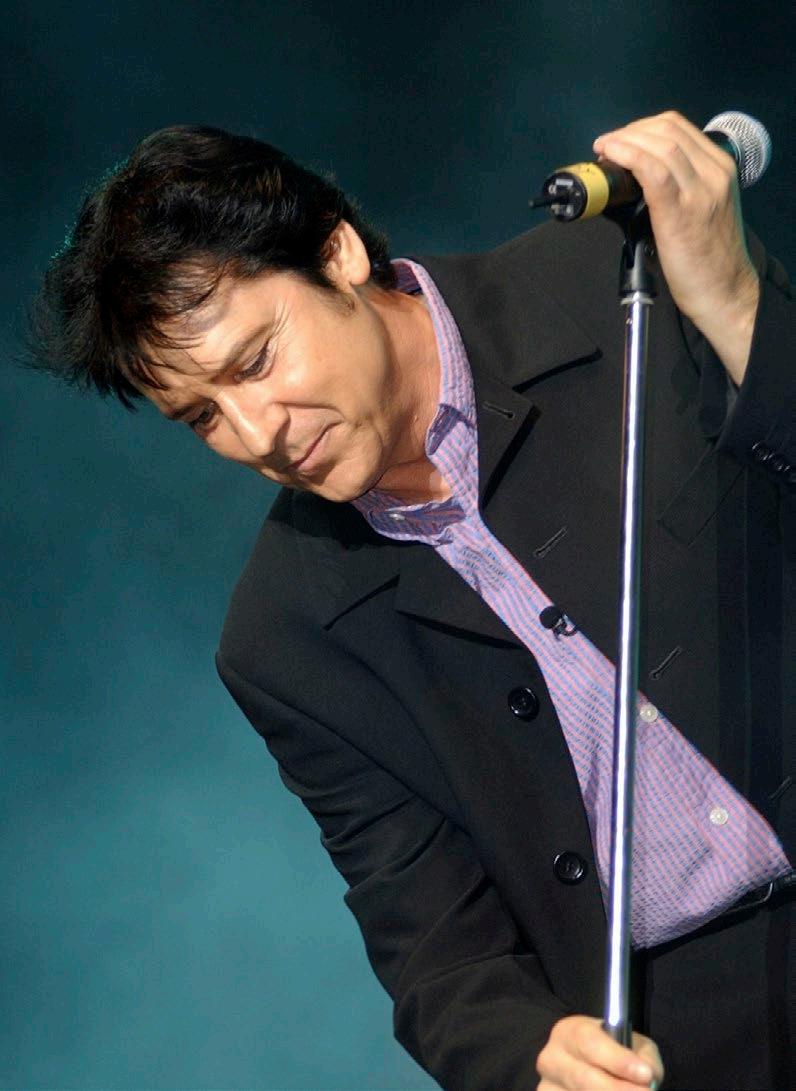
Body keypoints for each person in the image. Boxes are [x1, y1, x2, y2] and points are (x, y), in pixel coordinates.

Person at [30, 112, 793, 1091]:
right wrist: (528, 1050)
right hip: (676, 1036)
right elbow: (439, 949)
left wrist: (735, 303)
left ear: (337, 253)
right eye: (202, 416)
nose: (257, 434)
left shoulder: (610, 280)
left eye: (255, 361)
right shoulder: (282, 635)